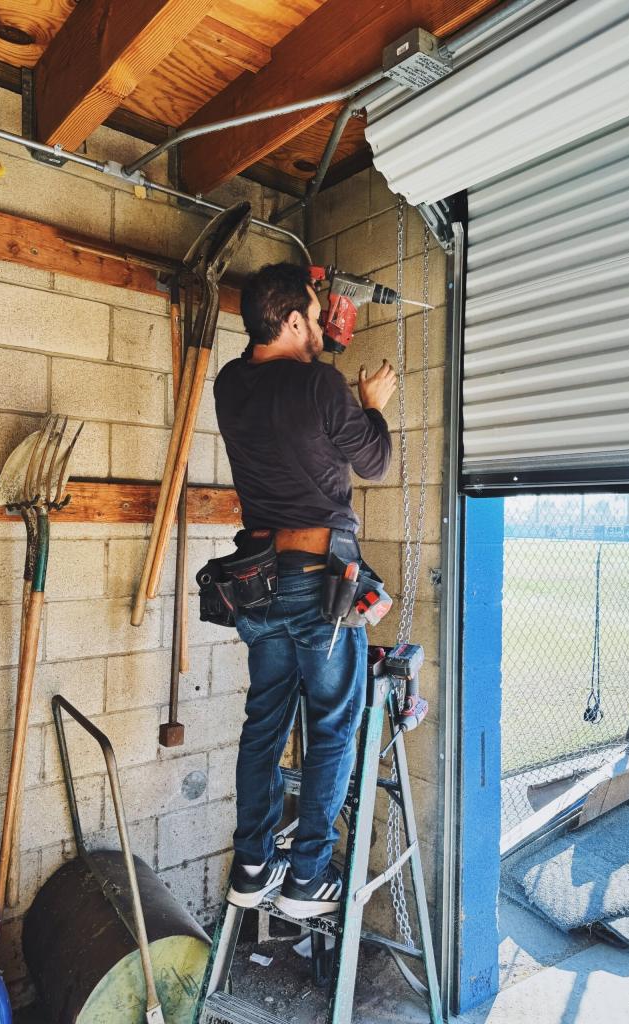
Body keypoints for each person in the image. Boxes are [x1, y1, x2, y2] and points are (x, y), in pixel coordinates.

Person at [214, 262, 396, 918]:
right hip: (320, 589)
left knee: (263, 725)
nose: (324, 328)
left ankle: (252, 867)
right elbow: (373, 459)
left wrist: (318, 340)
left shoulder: (229, 386)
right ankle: (306, 879)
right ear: (291, 322)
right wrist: (370, 405)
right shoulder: (322, 387)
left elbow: (275, 381)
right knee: (331, 726)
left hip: (259, 584)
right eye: (316, 318)